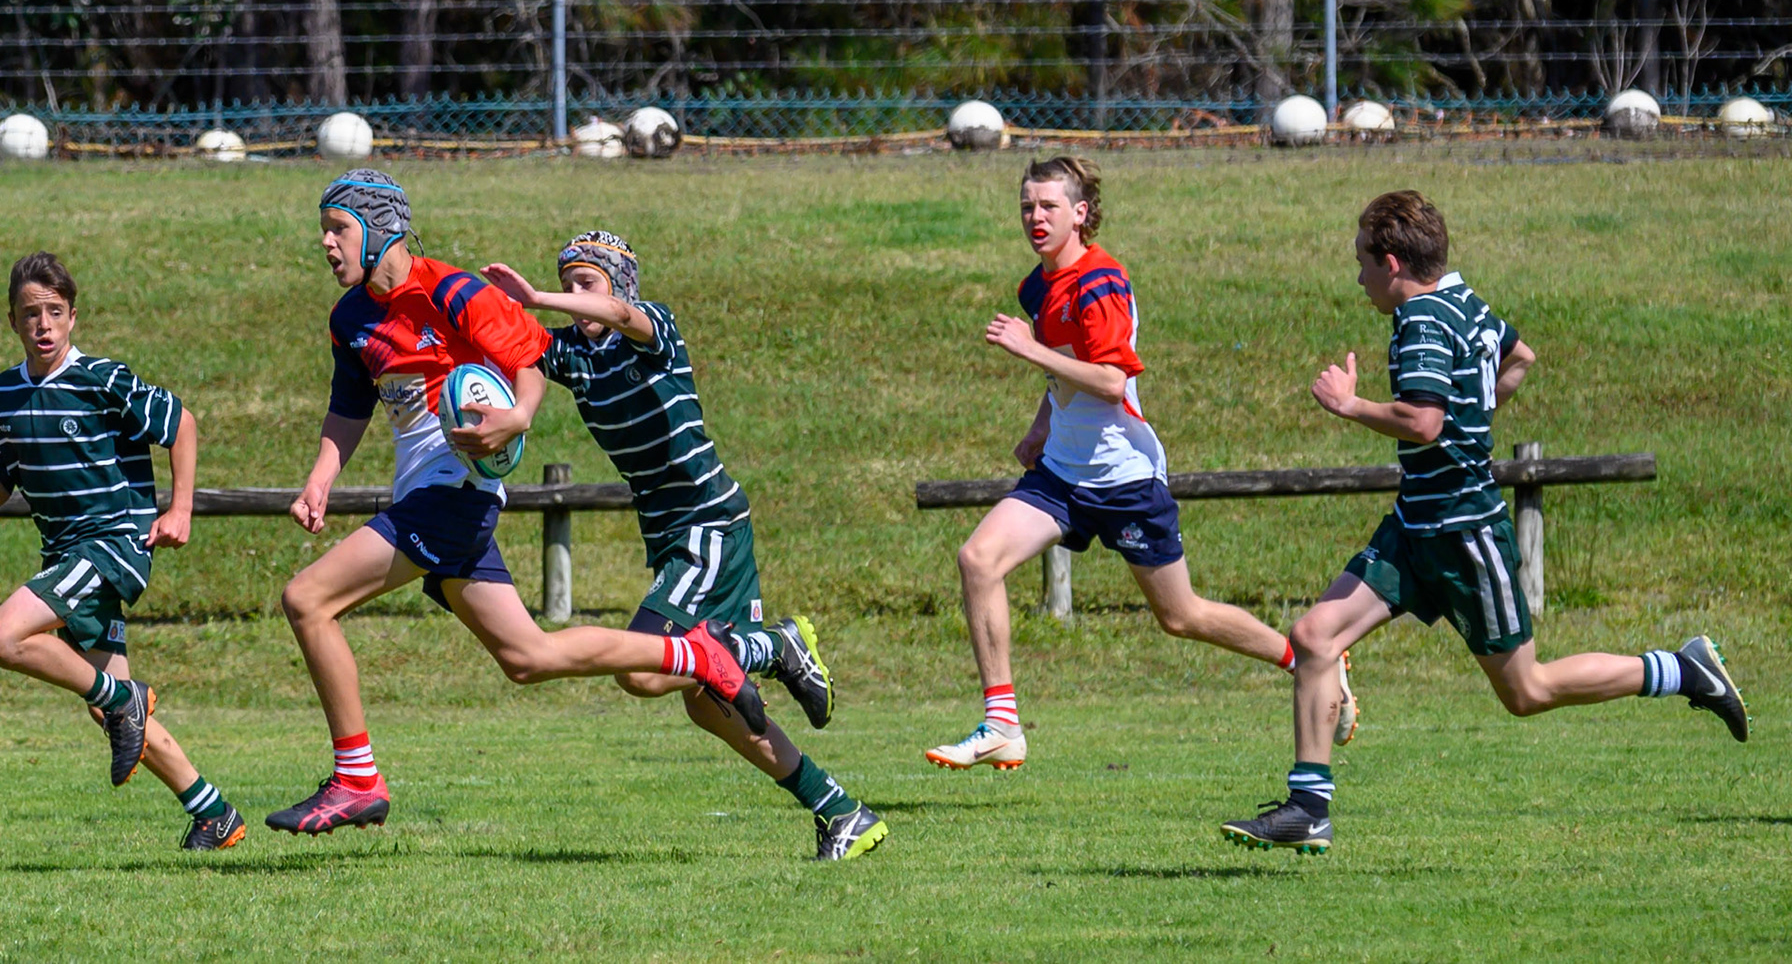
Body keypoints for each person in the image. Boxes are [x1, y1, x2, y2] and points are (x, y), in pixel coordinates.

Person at [1222, 190, 1748, 856]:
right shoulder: (1465, 302)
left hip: (1464, 534)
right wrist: (1476, 410)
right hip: (1417, 524)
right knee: (1314, 635)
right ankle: (1308, 808)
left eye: (1362, 263)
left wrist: (1350, 405)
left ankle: (1681, 669)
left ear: (1391, 263)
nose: (1358, 279)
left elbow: (1423, 422)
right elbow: (1521, 356)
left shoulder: (1420, 317)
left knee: (1527, 690)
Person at [268, 171, 763, 837]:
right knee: (528, 658)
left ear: (382, 229)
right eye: (323, 231)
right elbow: (349, 405)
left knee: (307, 599)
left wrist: (518, 418)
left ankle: (356, 779)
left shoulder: (453, 290)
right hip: (425, 493)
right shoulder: (350, 317)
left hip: (456, 490)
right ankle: (698, 657)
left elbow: (527, 359)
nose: (327, 244)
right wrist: (321, 477)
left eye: (339, 229)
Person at [926, 157, 1347, 772]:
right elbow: (1065, 371)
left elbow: (1110, 379)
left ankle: (1306, 657)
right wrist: (1041, 428)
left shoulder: (1102, 282)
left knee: (1181, 616)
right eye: (1026, 206)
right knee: (978, 559)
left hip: (1123, 478)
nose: (1035, 217)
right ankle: (1003, 724)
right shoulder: (1036, 286)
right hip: (1061, 474)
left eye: (1048, 206)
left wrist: (1030, 348)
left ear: (1080, 213)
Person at [482, 232, 887, 861]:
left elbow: (618, 314)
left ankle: (775, 646)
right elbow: (514, 347)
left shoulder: (654, 329)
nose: (575, 296)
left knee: (642, 672)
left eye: (585, 282)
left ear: (618, 285)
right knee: (707, 701)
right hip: (676, 532)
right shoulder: (572, 353)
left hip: (706, 524)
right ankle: (841, 811)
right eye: (567, 283)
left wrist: (539, 298)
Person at [0, 251, 245, 850]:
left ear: (73, 317)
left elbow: (181, 423)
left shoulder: (103, 378)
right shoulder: (2, 393)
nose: (43, 325)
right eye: (31, 314)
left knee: (0, 636)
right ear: (13, 322)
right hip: (64, 555)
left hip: (112, 546)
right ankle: (212, 812)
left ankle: (126, 699)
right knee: (109, 709)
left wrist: (179, 509)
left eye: (55, 311)